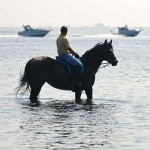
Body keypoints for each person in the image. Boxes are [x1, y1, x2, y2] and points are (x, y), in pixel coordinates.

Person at [56, 26, 83, 90]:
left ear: (61, 31)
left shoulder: (58, 38)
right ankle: (74, 83)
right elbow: (69, 49)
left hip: (60, 56)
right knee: (79, 65)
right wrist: (75, 54)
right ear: (66, 31)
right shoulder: (64, 38)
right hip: (65, 56)